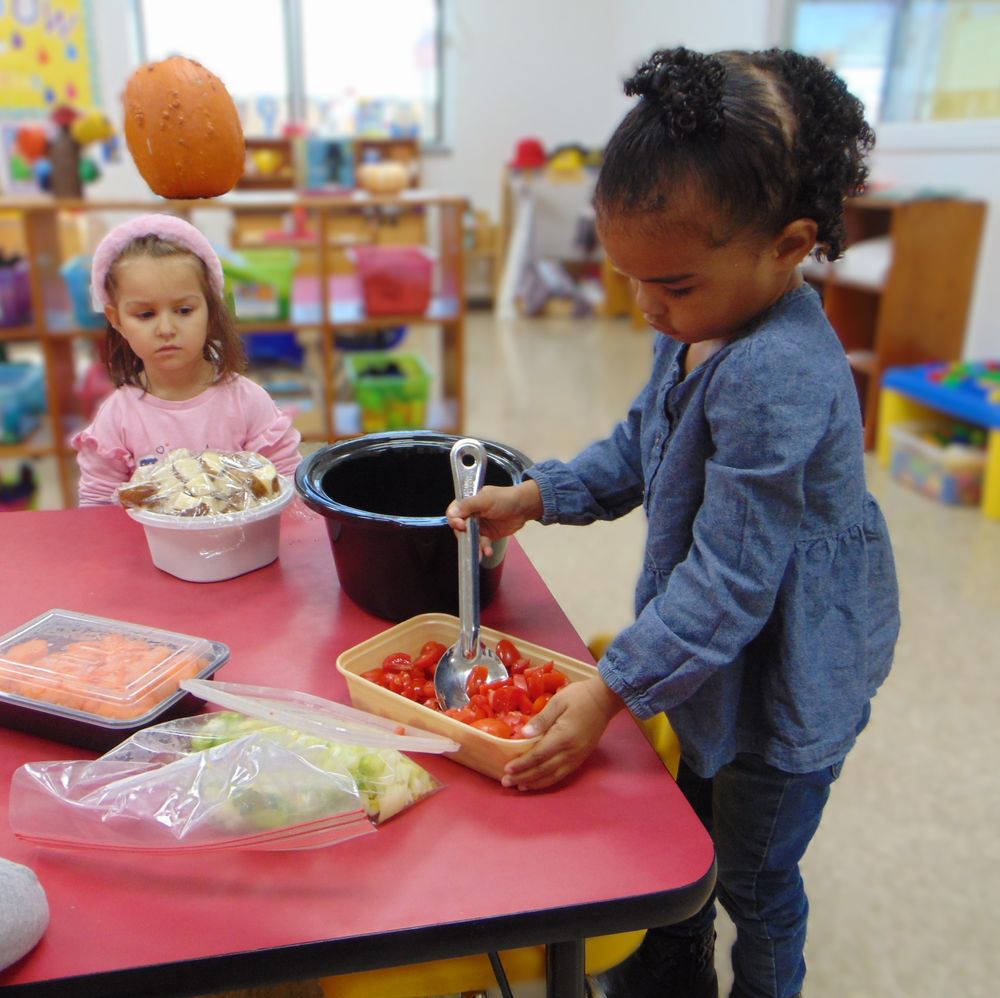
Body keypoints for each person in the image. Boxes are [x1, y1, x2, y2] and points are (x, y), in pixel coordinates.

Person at [446, 47, 900, 998]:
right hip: (717, 644)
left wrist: (611, 691)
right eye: (631, 279)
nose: (650, 308)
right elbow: (641, 445)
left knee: (756, 876)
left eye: (675, 285)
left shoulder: (773, 374)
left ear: (790, 244)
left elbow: (732, 581)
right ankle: (672, 954)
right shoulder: (702, 322)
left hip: (787, 672)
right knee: (692, 810)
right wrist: (540, 494)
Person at [72, 214, 301, 506]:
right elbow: (97, 506)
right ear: (116, 320)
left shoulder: (248, 403)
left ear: (210, 310)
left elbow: (287, 486)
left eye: (184, 310)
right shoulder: (116, 418)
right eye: (145, 314)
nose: (166, 329)